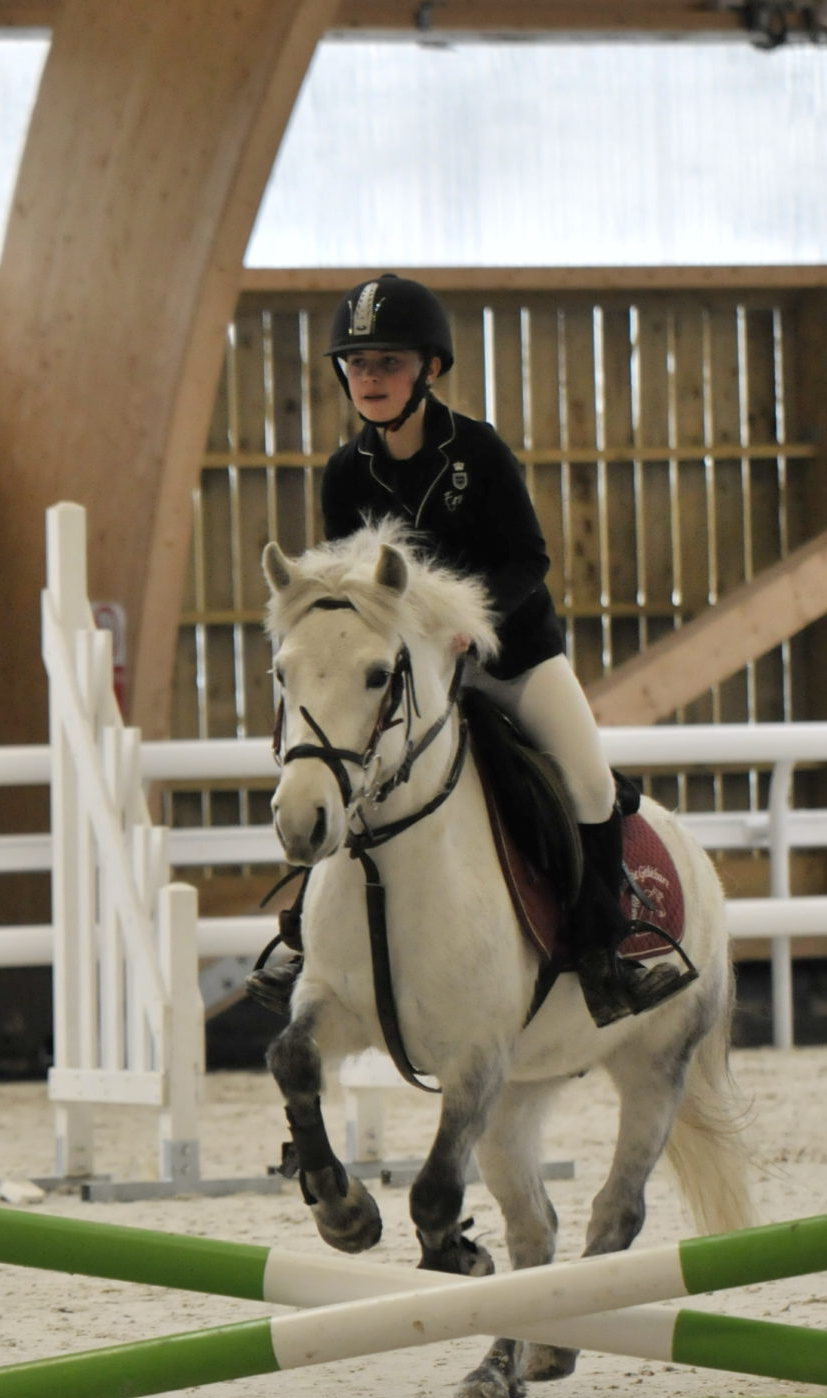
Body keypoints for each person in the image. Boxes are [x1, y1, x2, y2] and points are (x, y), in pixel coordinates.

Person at [251, 273, 692, 1028]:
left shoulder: (477, 453)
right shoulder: (345, 472)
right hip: (407, 682)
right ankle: (307, 939)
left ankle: (605, 951)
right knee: (336, 770)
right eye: (358, 365)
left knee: (586, 780)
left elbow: (529, 558)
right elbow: (350, 586)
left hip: (511, 661)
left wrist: (469, 623)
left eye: (388, 363)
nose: (371, 379)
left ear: (431, 369)